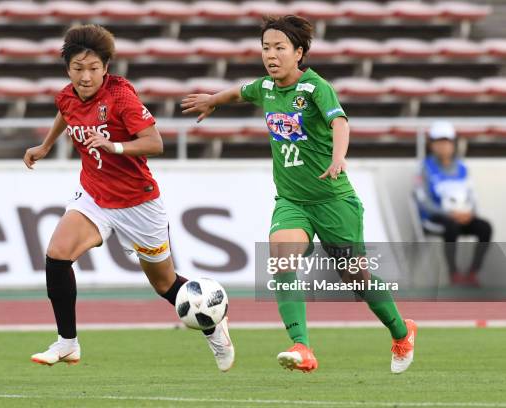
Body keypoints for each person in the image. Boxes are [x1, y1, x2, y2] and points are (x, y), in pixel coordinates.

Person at [182, 15, 416, 374]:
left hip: (335, 201)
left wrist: (339, 158)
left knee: (356, 277)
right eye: (265, 48)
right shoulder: (266, 88)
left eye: (279, 48)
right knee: (281, 256)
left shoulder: (316, 88)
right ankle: (302, 346)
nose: (270, 55)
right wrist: (214, 100)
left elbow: (340, 122)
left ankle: (402, 332)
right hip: (292, 201)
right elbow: (240, 91)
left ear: (299, 52)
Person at [23, 24, 234, 371]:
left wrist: (114, 146)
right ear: (68, 69)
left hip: (138, 202)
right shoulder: (67, 95)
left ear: (106, 68)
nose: (85, 76)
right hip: (94, 195)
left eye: (93, 68)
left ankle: (212, 322)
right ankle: (67, 343)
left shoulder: (121, 96)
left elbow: (155, 143)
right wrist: (46, 146)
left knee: (165, 285)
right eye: (78, 69)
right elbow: (66, 111)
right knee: (57, 255)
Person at [415, 120, 493, 286]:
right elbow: (423, 201)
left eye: (447, 141)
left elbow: (472, 196)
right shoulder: (424, 168)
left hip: (462, 216)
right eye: (439, 142)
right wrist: (449, 214)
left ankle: (472, 273)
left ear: (453, 143)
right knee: (451, 226)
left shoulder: (462, 168)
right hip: (436, 218)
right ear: (431, 144)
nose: (444, 146)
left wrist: (469, 214)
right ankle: (454, 274)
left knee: (485, 227)